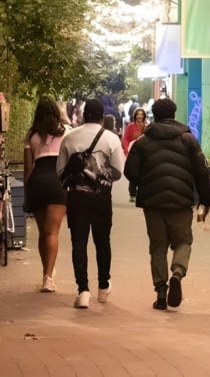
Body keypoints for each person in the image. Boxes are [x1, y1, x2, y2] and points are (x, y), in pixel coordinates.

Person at [124, 98, 210, 311]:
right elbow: (201, 171)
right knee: (183, 241)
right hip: (181, 201)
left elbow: (130, 172)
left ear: (154, 114)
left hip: (153, 203)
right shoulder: (188, 139)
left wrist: (140, 183)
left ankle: (161, 292)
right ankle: (177, 273)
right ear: (174, 114)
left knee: (157, 247)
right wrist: (205, 200)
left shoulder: (143, 141)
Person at [56, 98, 124, 309]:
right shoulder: (111, 139)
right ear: (102, 116)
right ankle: (103, 286)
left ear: (84, 114)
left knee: (79, 243)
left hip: (76, 198)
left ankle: (83, 290)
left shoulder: (70, 137)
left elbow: (60, 172)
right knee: (103, 242)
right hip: (101, 199)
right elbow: (118, 172)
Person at [23, 97, 71, 292]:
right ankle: (48, 278)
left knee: (43, 233)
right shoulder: (67, 132)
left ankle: (46, 273)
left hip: (38, 181)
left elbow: (27, 167)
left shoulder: (31, 135)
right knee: (53, 232)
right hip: (57, 181)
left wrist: (28, 193)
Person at [121, 108, 148, 202]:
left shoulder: (147, 126)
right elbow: (125, 138)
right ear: (135, 116)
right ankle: (132, 193)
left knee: (143, 173)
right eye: (138, 114)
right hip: (133, 153)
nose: (139, 116)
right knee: (133, 172)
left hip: (144, 153)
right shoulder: (130, 126)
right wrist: (126, 149)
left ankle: (140, 193)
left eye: (141, 114)